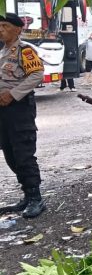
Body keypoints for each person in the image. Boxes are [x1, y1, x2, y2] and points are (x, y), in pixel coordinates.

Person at [0, 13, 46, 218]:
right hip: (2, 110)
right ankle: (27, 195)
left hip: (19, 108)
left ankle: (36, 198)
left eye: (5, 26)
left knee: (23, 152)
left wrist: (13, 94)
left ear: (18, 29)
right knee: (9, 153)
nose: (1, 29)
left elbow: (37, 75)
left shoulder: (24, 50)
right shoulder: (2, 52)